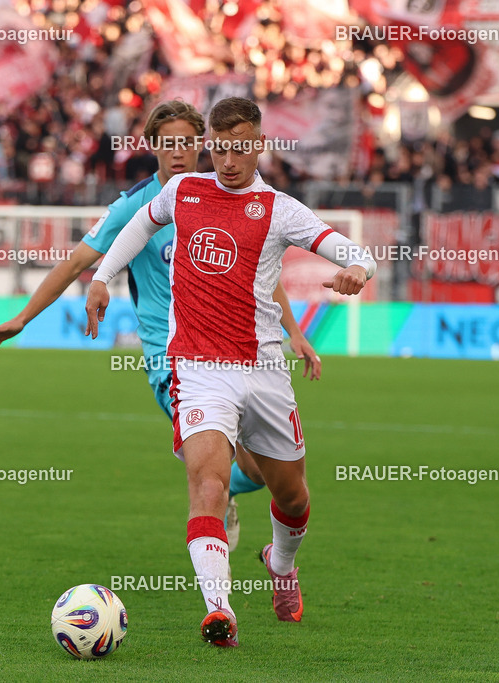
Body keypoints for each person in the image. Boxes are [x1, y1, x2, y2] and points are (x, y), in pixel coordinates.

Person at [85, 97, 376, 647]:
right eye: (218, 149)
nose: (227, 160)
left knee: (291, 497)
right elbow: (136, 228)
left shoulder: (278, 208)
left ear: (258, 144)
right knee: (208, 485)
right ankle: (220, 611)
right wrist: (103, 276)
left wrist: (357, 269)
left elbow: (352, 249)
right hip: (197, 368)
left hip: (264, 371)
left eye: (239, 147)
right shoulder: (183, 192)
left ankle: (281, 564)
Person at [0, 101, 321, 550]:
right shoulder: (135, 205)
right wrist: (23, 318)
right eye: (168, 144)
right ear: (152, 147)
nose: (178, 153)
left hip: (237, 352)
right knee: (219, 471)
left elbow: (259, 275)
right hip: (173, 358)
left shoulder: (230, 196)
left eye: (187, 143)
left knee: (261, 474)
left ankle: (227, 496)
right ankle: (214, 525)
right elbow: (77, 260)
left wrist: (293, 332)